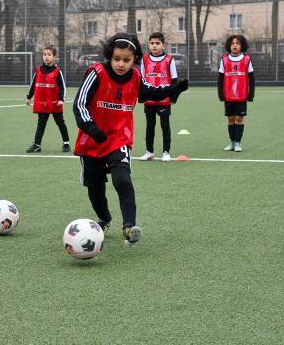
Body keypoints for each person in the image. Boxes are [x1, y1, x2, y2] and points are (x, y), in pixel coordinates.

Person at [73, 33, 188, 246]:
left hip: (119, 139)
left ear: (134, 59)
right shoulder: (96, 73)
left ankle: (129, 227)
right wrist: (90, 127)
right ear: (110, 55)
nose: (121, 64)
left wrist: (174, 89)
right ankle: (105, 218)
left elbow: (150, 93)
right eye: (117, 58)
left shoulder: (136, 77)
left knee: (123, 180)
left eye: (127, 60)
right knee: (95, 189)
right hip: (92, 139)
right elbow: (79, 103)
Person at [138, 32, 179, 162]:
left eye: (157, 43)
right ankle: (149, 152)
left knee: (165, 126)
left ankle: (166, 152)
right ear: (149, 45)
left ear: (163, 45)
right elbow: (141, 79)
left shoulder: (169, 59)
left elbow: (174, 80)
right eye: (152, 43)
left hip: (164, 99)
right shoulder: (144, 59)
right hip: (149, 100)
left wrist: (173, 97)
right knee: (150, 126)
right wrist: (142, 96)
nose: (154, 46)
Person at [25, 45, 70, 153]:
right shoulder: (38, 70)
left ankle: (66, 143)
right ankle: (37, 145)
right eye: (44, 54)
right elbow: (33, 84)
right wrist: (28, 97)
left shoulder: (57, 72)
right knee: (41, 123)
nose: (46, 57)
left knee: (60, 123)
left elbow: (62, 87)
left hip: (55, 103)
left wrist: (61, 99)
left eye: (49, 55)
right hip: (42, 103)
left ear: (54, 57)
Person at [217, 34, 255, 152]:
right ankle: (232, 142)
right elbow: (220, 79)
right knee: (230, 119)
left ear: (241, 46)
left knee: (239, 119)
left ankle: (238, 143)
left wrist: (251, 93)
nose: (235, 46)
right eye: (233, 43)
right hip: (228, 96)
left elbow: (252, 79)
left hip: (242, 96)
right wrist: (220, 93)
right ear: (229, 45)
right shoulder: (224, 60)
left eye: (237, 43)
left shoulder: (247, 59)